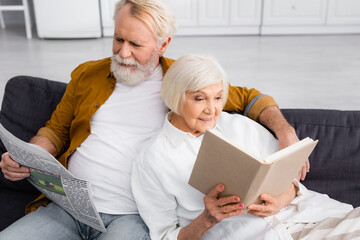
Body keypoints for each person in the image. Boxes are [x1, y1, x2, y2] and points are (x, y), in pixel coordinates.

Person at [0, 0, 305, 239]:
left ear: (163, 45)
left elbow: (250, 97)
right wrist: (32, 155)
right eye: (118, 40)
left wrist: (285, 132)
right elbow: (56, 129)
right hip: (69, 206)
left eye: (136, 45)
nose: (123, 53)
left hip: (132, 218)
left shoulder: (183, 82)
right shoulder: (87, 74)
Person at [131, 54, 360, 240]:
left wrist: (280, 200)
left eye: (218, 97)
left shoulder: (240, 126)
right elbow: (164, 237)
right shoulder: (153, 160)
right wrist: (207, 219)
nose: (212, 110)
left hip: (315, 216)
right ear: (175, 98)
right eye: (200, 99)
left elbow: (287, 178)